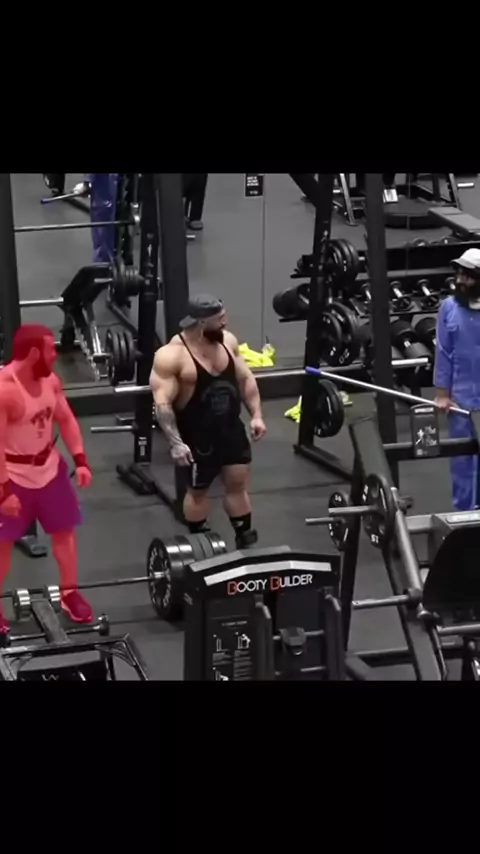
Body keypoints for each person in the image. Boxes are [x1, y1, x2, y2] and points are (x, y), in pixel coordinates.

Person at [149, 295, 267, 548]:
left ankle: (245, 540)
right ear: (202, 322)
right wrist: (175, 443)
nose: (225, 323)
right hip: (197, 437)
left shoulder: (228, 341)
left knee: (237, 483)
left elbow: (245, 379)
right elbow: (162, 403)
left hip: (230, 429)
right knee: (198, 492)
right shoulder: (171, 356)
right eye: (220, 319)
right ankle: (201, 543)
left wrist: (257, 416)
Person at [0, 324, 94, 634]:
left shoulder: (50, 381)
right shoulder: (5, 390)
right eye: (50, 349)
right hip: (12, 477)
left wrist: (80, 460)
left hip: (50, 472)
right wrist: (4, 492)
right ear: (33, 353)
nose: (55, 354)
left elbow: (65, 419)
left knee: (65, 535)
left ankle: (70, 594)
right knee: (2, 546)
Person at [434, 248, 480, 510]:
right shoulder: (449, 308)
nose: (461, 280)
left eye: (468, 276)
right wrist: (443, 394)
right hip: (461, 404)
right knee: (462, 464)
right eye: (459, 274)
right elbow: (443, 352)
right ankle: (463, 520)